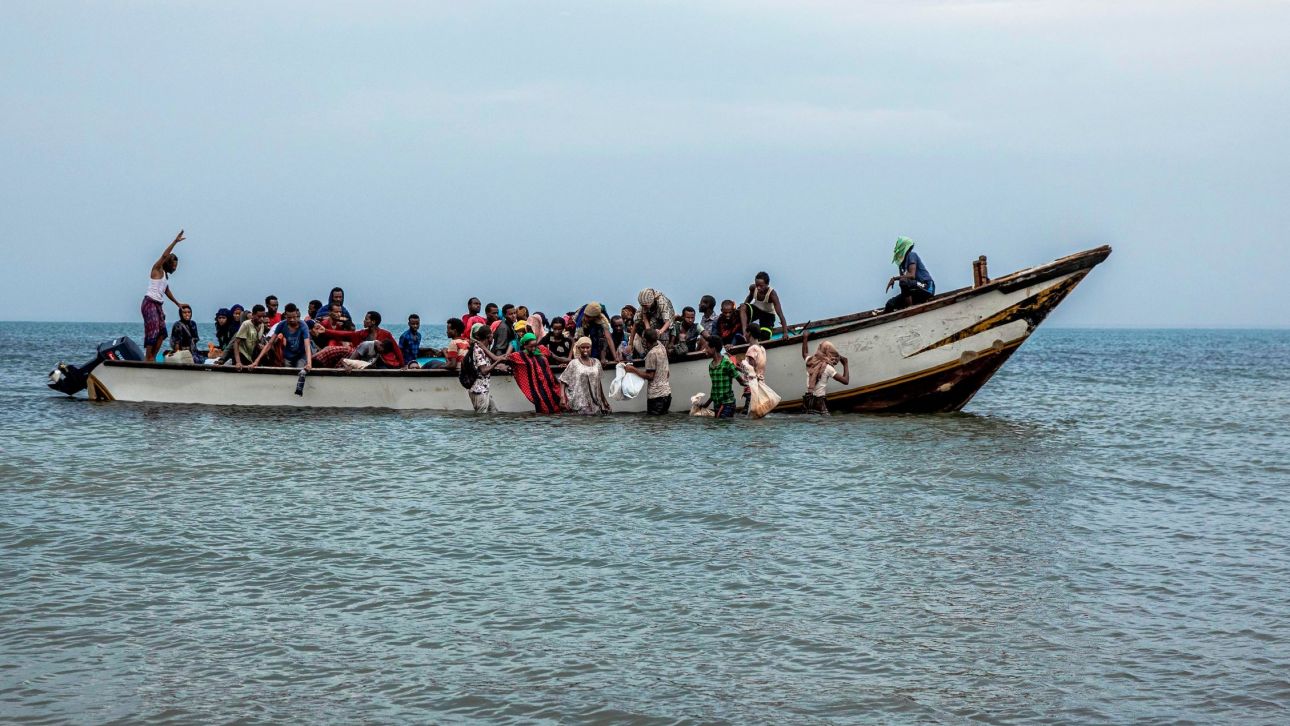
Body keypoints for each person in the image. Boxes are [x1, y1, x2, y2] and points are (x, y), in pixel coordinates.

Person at [142, 229, 187, 362]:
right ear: (168, 263)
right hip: (149, 303)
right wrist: (175, 242)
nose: (175, 268)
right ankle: (147, 358)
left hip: (158, 305)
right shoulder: (157, 269)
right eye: (174, 266)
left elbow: (166, 290)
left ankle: (152, 357)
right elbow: (164, 255)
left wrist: (178, 303)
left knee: (162, 332)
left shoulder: (165, 277)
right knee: (153, 330)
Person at [315, 311, 403, 368]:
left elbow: (396, 349)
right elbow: (345, 335)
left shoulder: (386, 334)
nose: (364, 321)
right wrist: (326, 331)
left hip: (381, 363)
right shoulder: (362, 333)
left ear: (373, 322)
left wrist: (403, 365)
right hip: (364, 363)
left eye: (366, 319)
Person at [506, 333, 567, 414]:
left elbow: (558, 358)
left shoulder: (542, 349)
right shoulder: (519, 356)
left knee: (564, 408)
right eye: (531, 346)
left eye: (535, 345)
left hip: (552, 386)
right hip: (538, 391)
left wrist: (574, 361)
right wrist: (499, 365)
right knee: (544, 412)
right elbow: (502, 358)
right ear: (525, 346)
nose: (534, 348)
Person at [801, 328, 850, 414]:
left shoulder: (811, 361)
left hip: (808, 402)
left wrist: (805, 337)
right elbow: (845, 381)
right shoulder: (827, 368)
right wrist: (845, 364)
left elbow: (804, 354)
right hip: (819, 404)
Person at [251, 303, 313, 370]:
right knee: (287, 372)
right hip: (288, 355)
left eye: (294, 317)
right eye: (289, 318)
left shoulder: (303, 326)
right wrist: (256, 361)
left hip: (301, 355)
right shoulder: (282, 325)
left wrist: (309, 364)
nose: (292, 320)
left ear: (297, 315)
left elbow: (307, 346)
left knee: (299, 368)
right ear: (286, 316)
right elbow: (270, 343)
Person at [559, 336, 611, 415]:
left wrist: (604, 401)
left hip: (595, 402)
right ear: (578, 348)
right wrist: (562, 398)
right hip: (579, 401)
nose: (585, 350)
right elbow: (563, 380)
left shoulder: (597, 362)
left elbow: (598, 383)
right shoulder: (574, 363)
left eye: (588, 347)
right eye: (583, 347)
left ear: (591, 348)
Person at [625, 328, 671, 415]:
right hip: (667, 393)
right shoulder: (662, 347)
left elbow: (650, 376)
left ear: (645, 340)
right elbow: (667, 373)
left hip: (656, 396)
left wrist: (633, 369)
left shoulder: (651, 354)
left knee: (653, 425)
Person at [884, 236, 936, 312]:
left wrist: (894, 278)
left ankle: (910, 309)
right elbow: (905, 289)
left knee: (903, 281)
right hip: (915, 292)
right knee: (890, 304)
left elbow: (912, 276)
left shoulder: (911, 255)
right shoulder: (901, 264)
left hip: (926, 287)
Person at [703, 332, 745, 419]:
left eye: (706, 348)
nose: (704, 350)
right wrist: (706, 404)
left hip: (727, 403)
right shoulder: (711, 366)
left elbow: (740, 381)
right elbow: (715, 389)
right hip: (717, 404)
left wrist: (754, 384)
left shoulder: (727, 363)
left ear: (713, 348)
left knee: (722, 427)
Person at [740, 271, 789, 340]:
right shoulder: (753, 288)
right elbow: (749, 298)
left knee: (765, 335)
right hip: (756, 310)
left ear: (767, 284)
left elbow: (780, 314)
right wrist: (742, 310)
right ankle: (744, 333)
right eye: (757, 285)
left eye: (761, 286)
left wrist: (785, 332)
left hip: (768, 315)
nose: (758, 288)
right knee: (742, 306)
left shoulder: (772, 294)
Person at [231, 304, 267, 369]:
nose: (261, 319)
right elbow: (236, 343)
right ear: (253, 315)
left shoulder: (262, 325)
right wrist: (238, 362)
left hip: (251, 354)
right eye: (259, 316)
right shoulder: (246, 324)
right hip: (242, 354)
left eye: (263, 317)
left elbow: (256, 340)